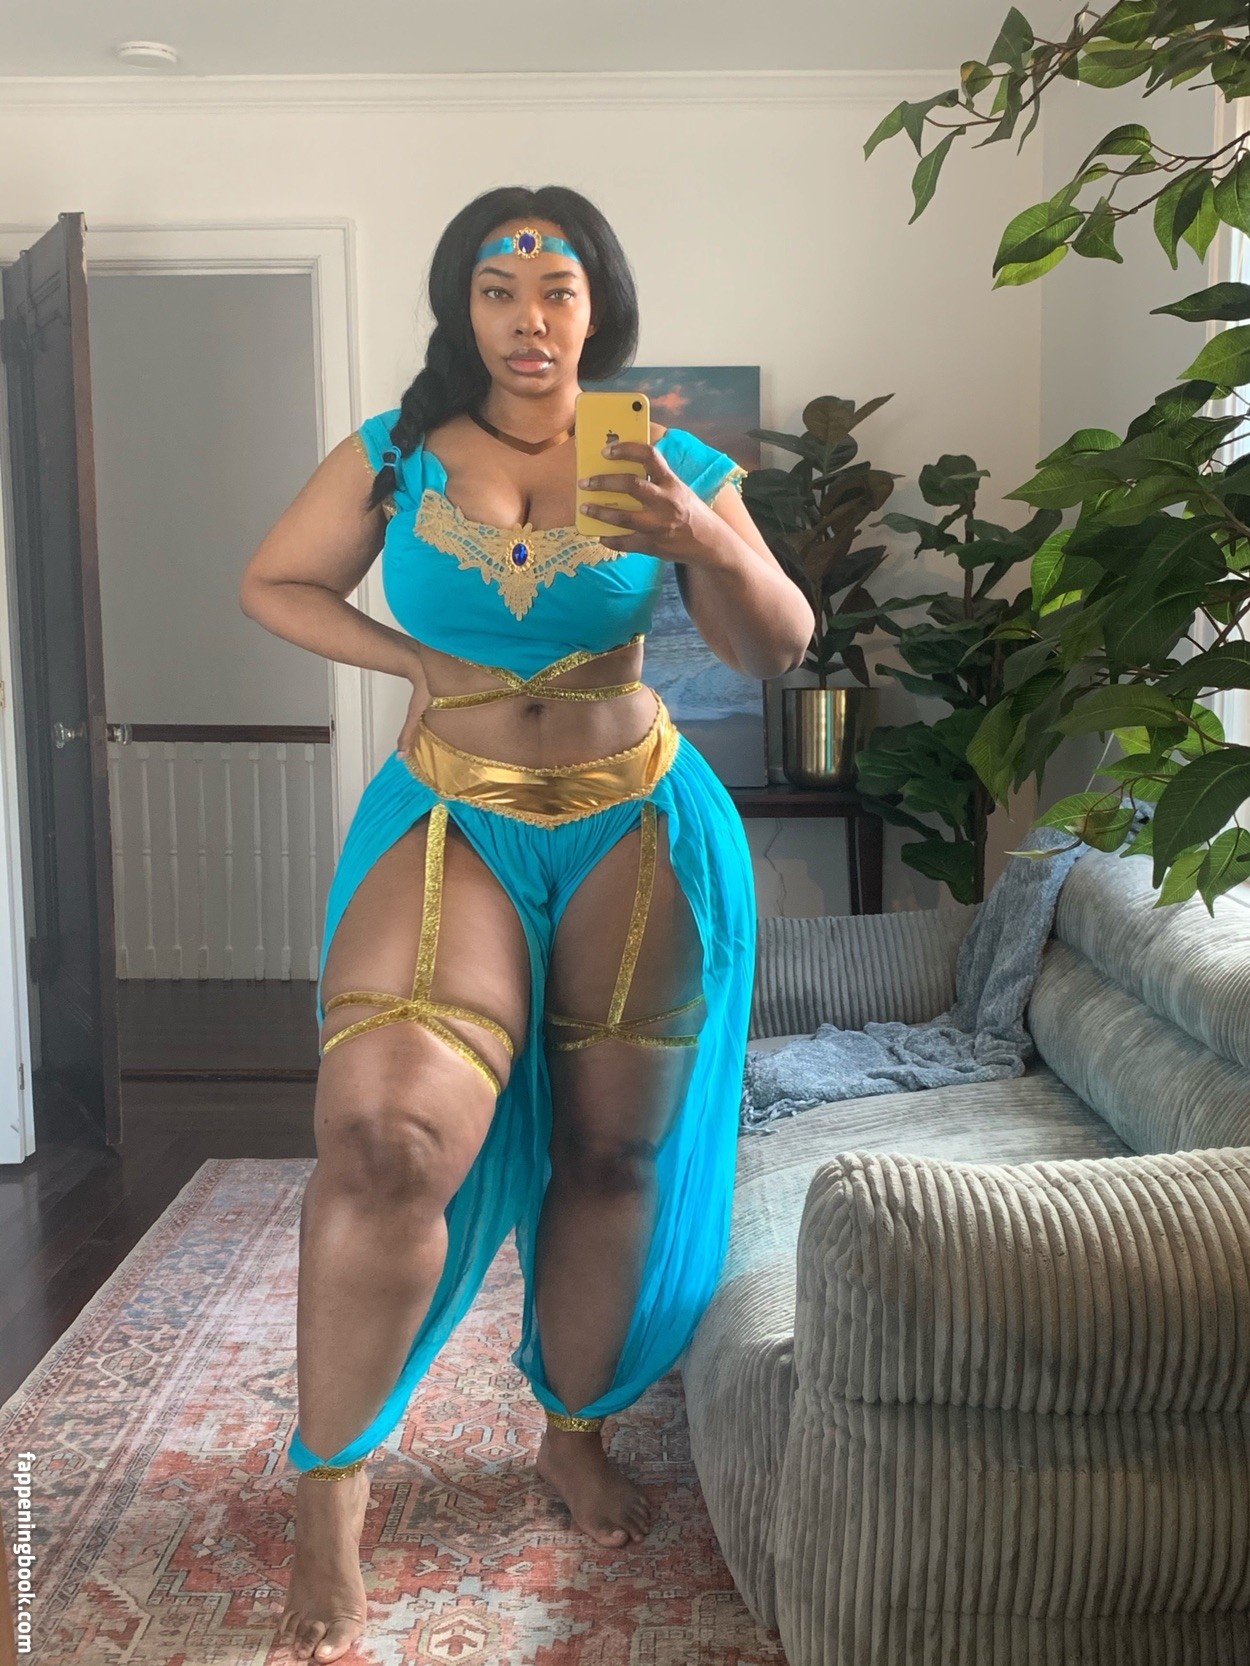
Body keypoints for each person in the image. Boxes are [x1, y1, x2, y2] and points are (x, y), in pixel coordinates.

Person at [239, 183, 815, 1664]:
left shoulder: (664, 457)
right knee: (382, 1136)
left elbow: (778, 644)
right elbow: (274, 580)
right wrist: (407, 661)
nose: (529, 317)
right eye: (498, 291)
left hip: (634, 822)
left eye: (556, 290)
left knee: (612, 1150)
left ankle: (572, 1427)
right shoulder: (395, 450)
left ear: (596, 309)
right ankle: (329, 1488)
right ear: (464, 309)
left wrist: (704, 537)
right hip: (452, 819)